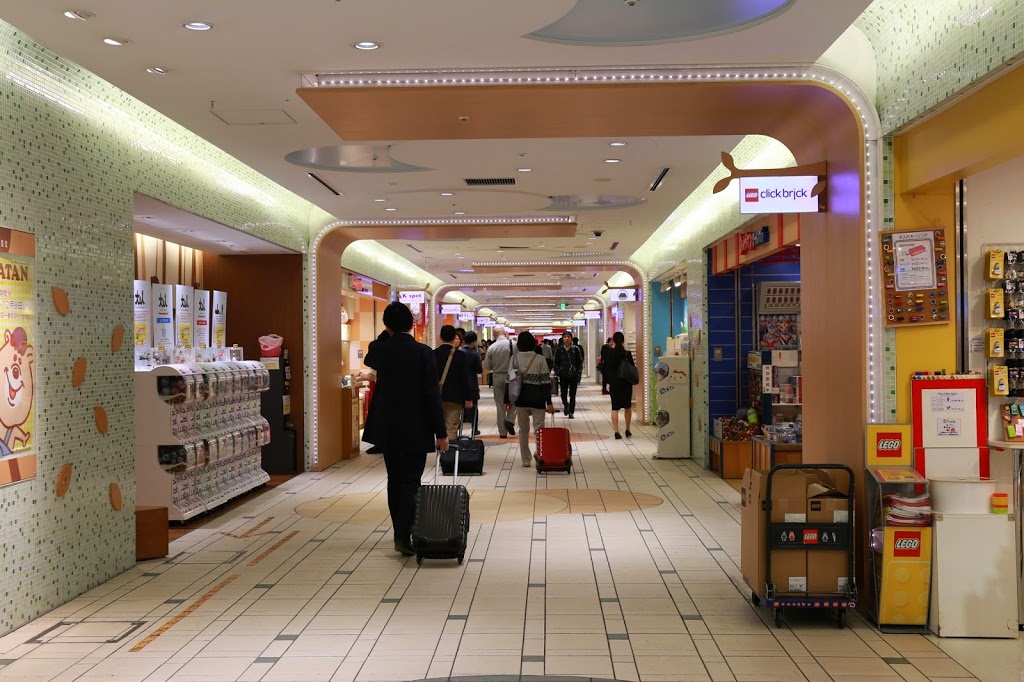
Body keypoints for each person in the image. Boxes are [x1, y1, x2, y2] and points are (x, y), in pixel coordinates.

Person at [362, 302, 448, 556]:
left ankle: (400, 532)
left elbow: (372, 352)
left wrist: (387, 333)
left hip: (388, 428)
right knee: (411, 480)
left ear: (386, 326)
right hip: (416, 426)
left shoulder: (380, 350)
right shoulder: (423, 353)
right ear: (412, 325)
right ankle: (405, 532)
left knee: (395, 479)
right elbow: (432, 395)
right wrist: (440, 432)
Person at [510, 332, 555, 466]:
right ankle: (540, 454)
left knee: (523, 430)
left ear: (518, 344)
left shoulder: (514, 359)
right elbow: (546, 383)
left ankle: (525, 459)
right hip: (538, 399)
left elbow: (510, 380)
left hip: (521, 399)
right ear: (532, 344)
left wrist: (508, 401)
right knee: (539, 430)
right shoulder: (540, 359)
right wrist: (549, 402)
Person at [433, 325, 476, 440]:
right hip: (455, 396)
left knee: (439, 426)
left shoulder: (433, 354)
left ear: (440, 336)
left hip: (436, 396)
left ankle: (440, 452)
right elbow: (464, 378)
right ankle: (448, 453)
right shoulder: (460, 355)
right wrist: (468, 397)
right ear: (454, 337)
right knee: (451, 427)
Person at [482, 326, 516, 438]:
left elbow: (487, 365)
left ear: (494, 335)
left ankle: (502, 432)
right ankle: (510, 420)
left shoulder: (492, 347)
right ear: (504, 333)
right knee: (514, 400)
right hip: (512, 376)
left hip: (498, 376)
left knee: (499, 404)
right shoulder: (514, 345)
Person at [603, 331, 636, 439]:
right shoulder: (627, 354)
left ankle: (616, 431)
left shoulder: (609, 354)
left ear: (613, 341)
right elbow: (632, 368)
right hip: (626, 383)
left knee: (615, 408)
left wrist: (608, 382)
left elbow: (607, 369)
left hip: (615, 383)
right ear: (623, 341)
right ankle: (627, 429)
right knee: (627, 406)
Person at [554, 331, 584, 418]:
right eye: (565, 337)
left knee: (572, 394)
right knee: (563, 393)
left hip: (573, 375)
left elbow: (579, 362)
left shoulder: (575, 349)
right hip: (563, 375)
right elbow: (555, 362)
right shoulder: (559, 350)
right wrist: (558, 372)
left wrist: (578, 373)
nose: (567, 338)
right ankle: (565, 405)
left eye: (568, 337)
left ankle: (571, 411)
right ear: (563, 339)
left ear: (571, 339)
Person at [462, 331, 483, 435]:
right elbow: (479, 370)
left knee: (460, 407)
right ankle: (474, 429)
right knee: (474, 407)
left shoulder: (458, 352)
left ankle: (458, 427)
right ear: (474, 342)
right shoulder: (475, 354)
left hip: (460, 384)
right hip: (472, 384)